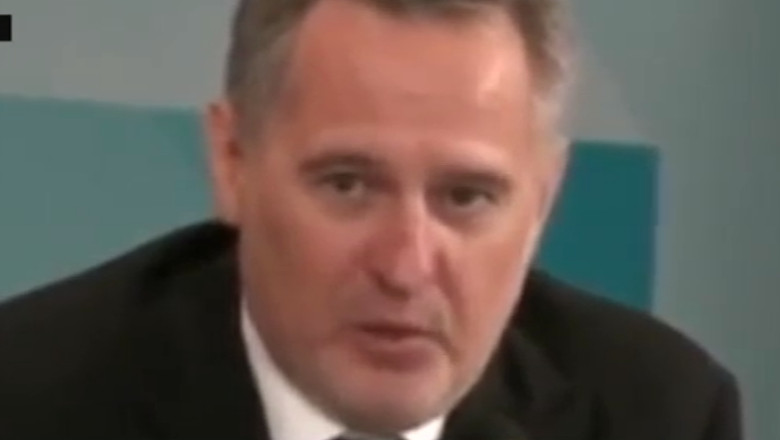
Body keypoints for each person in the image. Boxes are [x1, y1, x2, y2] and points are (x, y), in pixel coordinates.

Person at [0, 0, 741, 439]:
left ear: (543, 198)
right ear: (233, 162)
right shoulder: (27, 401)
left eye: (466, 198)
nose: (405, 267)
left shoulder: (660, 415)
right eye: (349, 185)